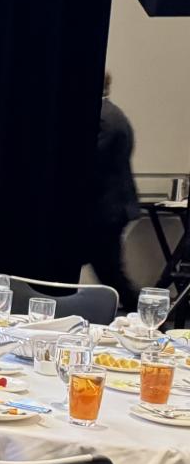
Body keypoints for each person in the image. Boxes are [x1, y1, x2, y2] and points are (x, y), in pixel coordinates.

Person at [89, 73, 140, 312]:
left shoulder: (103, 118)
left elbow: (93, 161)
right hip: (110, 207)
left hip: (106, 209)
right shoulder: (112, 114)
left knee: (110, 271)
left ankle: (143, 315)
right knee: (109, 269)